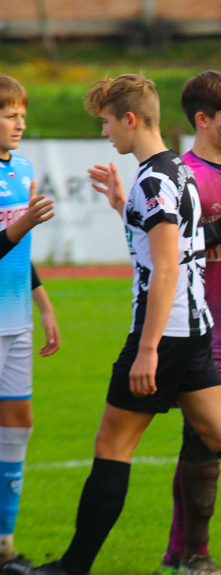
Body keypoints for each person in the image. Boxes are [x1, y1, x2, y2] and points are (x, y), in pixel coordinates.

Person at [6, 74, 221, 575]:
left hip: (164, 334)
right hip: (193, 330)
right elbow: (180, 245)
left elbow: (168, 266)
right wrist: (123, 206)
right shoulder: (176, 171)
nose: (106, 133)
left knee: (112, 446)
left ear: (130, 119)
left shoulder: (155, 180)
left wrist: (147, 350)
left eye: (107, 123)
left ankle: (72, 567)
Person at [149, 69, 221, 575]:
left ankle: (182, 552)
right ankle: (194, 553)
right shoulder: (182, 175)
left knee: (202, 445)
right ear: (202, 119)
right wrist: (218, 229)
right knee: (205, 445)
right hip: (192, 331)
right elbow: (172, 254)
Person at [0, 74, 61, 572]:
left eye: (22, 113)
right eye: (9, 114)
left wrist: (44, 306)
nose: (21, 122)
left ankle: (4, 544)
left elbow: (19, 251)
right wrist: (23, 224)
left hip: (17, 318)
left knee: (19, 423)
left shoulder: (22, 169)